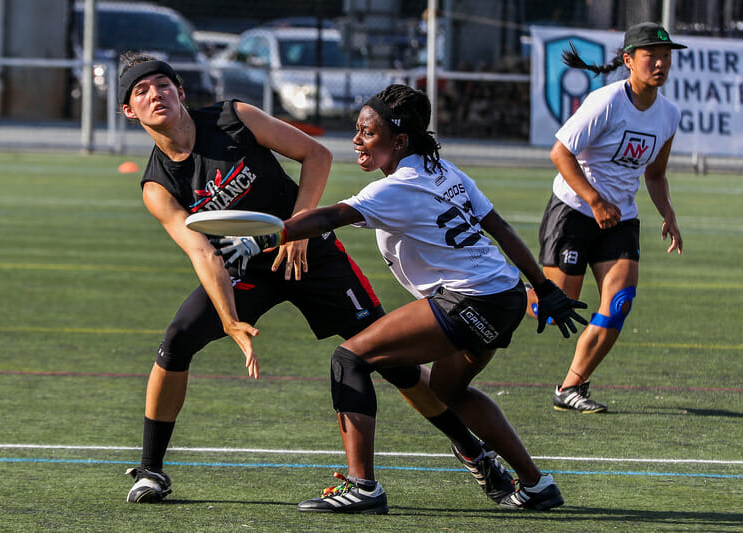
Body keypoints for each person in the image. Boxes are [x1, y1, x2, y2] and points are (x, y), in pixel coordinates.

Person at [117, 55, 517, 507]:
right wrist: (230, 320)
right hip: (246, 267)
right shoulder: (158, 186)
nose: (155, 94)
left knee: (391, 361)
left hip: (310, 253)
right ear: (129, 111)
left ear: (180, 92)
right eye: (141, 91)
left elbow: (316, 154)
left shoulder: (233, 118)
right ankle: (151, 470)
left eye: (162, 85)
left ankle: (473, 451)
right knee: (177, 340)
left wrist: (298, 228)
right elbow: (202, 252)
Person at [215, 84, 587, 512]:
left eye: (367, 132)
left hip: (471, 300)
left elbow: (330, 216)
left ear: (400, 140)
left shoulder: (398, 187)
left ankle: (363, 487)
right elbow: (499, 228)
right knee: (451, 390)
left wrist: (265, 236)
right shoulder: (443, 170)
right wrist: (542, 288)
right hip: (504, 297)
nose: (357, 139)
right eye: (357, 130)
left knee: (349, 360)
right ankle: (536, 485)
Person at [525, 22, 685, 413]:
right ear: (629, 60)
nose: (660, 63)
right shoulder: (606, 101)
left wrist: (669, 214)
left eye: (665, 56)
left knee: (620, 301)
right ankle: (507, 291)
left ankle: (571, 387)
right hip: (575, 210)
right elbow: (560, 154)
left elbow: (656, 173)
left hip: (620, 218)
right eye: (651, 55)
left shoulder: (669, 114)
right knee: (555, 306)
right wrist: (595, 200)